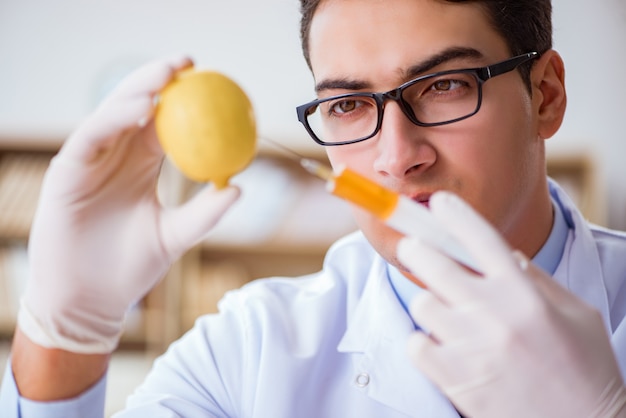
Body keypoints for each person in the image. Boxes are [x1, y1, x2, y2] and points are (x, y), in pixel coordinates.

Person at [1, 0, 625, 416]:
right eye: (349, 106)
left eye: (444, 86)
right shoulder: (247, 351)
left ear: (544, 95)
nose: (396, 157)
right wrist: (64, 337)